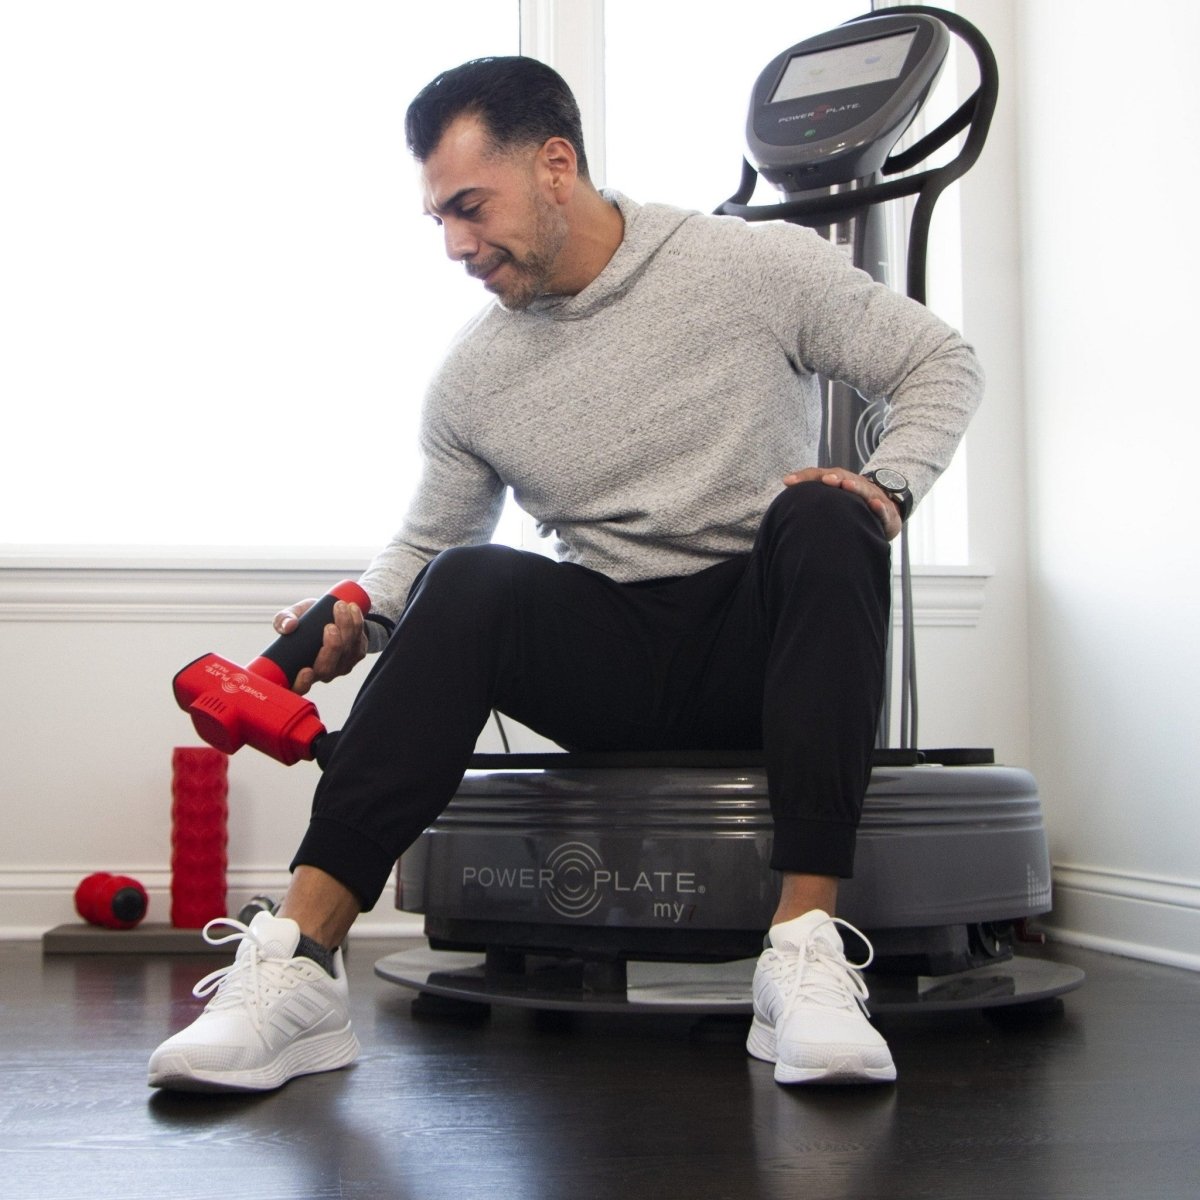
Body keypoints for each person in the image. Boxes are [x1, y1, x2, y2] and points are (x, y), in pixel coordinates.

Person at [148, 56, 983, 1093]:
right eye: (438, 220)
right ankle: (300, 967)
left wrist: (892, 486)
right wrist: (355, 614)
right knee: (470, 578)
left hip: (760, 646)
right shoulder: (475, 376)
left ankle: (804, 955)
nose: (455, 245)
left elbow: (940, 361)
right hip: (614, 663)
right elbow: (420, 550)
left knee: (827, 511)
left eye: (469, 207)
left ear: (554, 165)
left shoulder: (751, 268)